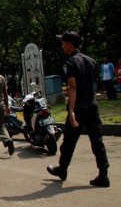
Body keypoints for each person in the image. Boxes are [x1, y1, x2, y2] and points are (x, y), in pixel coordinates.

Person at [47, 31, 110, 187]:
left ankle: (62, 169)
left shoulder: (70, 63)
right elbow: (92, 85)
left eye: (63, 43)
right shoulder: (91, 61)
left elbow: (72, 87)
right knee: (97, 140)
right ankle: (103, 175)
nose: (62, 46)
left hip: (79, 107)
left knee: (69, 140)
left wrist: (71, 111)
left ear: (69, 44)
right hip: (92, 104)